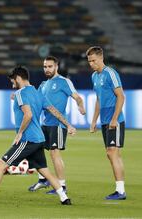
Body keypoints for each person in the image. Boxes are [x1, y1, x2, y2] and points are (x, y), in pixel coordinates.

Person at [0, 66, 76, 206]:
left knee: (1, 165)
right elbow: (54, 110)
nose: (12, 84)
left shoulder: (20, 94)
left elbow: (28, 114)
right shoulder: (38, 93)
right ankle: (64, 198)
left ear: (18, 78)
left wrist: (19, 133)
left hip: (27, 139)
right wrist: (68, 125)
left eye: (13, 81)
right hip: (39, 139)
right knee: (44, 170)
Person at [28, 56, 86, 194]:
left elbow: (77, 97)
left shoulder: (64, 82)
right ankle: (43, 180)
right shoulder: (43, 84)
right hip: (45, 124)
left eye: (49, 66)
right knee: (36, 150)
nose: (47, 69)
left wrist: (81, 106)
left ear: (56, 67)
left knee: (54, 153)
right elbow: (38, 103)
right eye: (45, 67)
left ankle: (62, 185)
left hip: (58, 124)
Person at [86, 46, 126, 200]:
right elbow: (98, 99)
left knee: (111, 152)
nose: (91, 64)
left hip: (113, 120)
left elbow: (121, 96)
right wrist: (94, 120)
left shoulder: (111, 73)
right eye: (89, 61)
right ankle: (120, 189)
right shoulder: (94, 76)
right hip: (104, 121)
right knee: (114, 155)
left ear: (101, 58)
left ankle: (120, 191)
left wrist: (114, 119)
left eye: (93, 61)